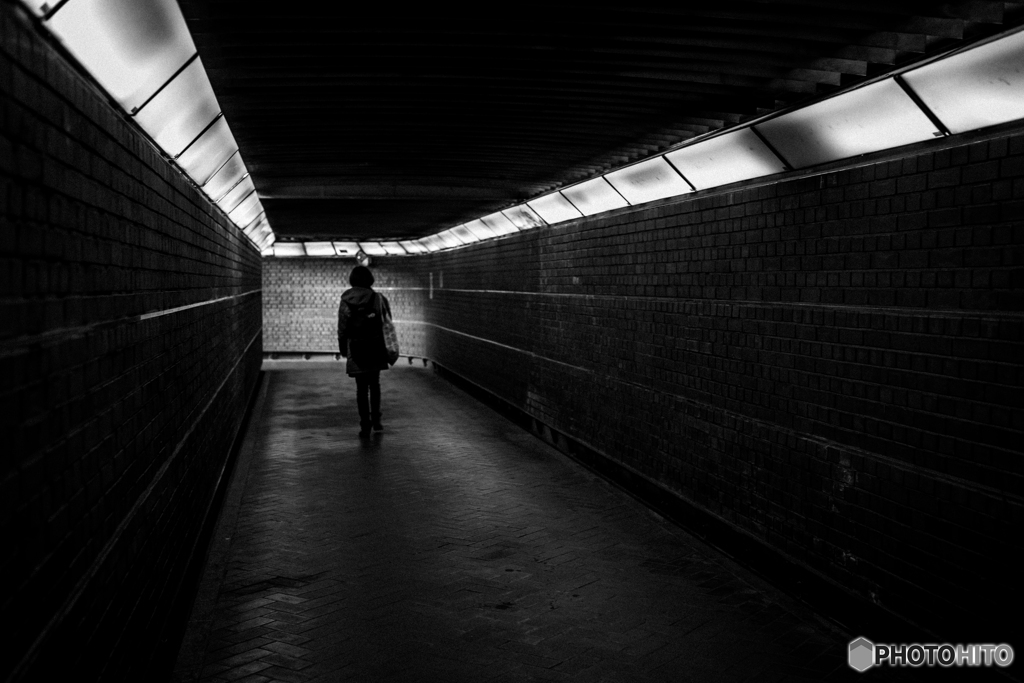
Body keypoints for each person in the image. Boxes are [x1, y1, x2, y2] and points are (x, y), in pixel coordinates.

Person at [337, 266, 394, 436]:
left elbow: (342, 326)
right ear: (370, 279)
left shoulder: (346, 300)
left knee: (361, 387)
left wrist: (343, 347)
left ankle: (364, 424)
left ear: (352, 280)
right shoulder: (378, 299)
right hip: (375, 346)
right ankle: (376, 420)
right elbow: (387, 323)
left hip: (356, 347)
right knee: (374, 384)